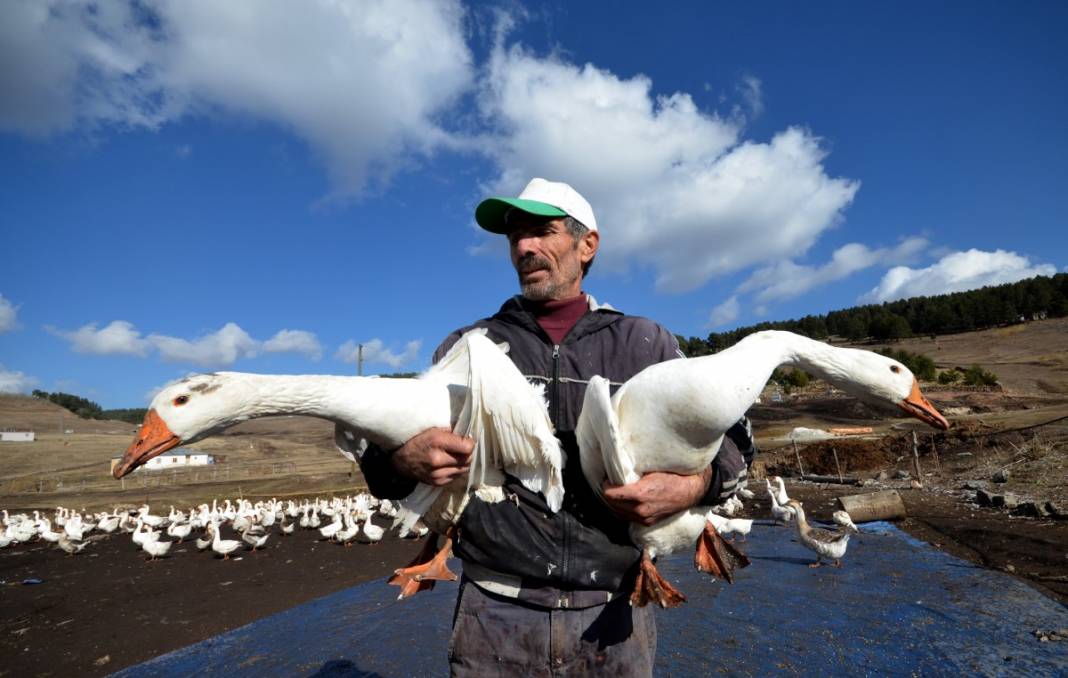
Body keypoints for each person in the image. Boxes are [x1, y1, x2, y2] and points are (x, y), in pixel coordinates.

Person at [359, 178, 752, 676]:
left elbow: (738, 441)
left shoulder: (645, 344)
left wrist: (693, 485)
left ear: (587, 244)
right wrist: (401, 459)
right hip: (496, 614)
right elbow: (380, 462)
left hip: (614, 613)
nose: (525, 247)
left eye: (542, 231)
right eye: (515, 236)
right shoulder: (467, 348)